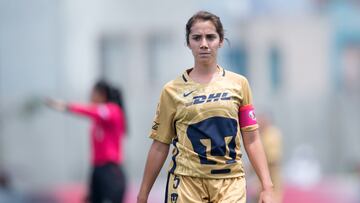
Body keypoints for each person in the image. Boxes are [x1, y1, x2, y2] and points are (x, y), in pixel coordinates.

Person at [137, 11, 274, 203]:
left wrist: (267, 187)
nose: (203, 44)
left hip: (230, 183)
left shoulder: (239, 84)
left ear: (220, 41)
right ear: (188, 43)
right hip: (187, 183)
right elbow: (160, 145)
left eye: (210, 37)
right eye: (196, 38)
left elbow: (251, 138)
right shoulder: (171, 90)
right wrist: (143, 194)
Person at [46, 80, 127, 203]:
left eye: (93, 93)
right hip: (97, 169)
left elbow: (92, 111)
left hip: (110, 170)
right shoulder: (98, 119)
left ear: (102, 94)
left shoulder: (112, 110)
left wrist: (66, 106)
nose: (90, 97)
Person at [257, 113, 283, 203]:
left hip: (271, 172)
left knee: (273, 196)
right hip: (265, 173)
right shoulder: (261, 134)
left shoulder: (272, 133)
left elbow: (272, 157)